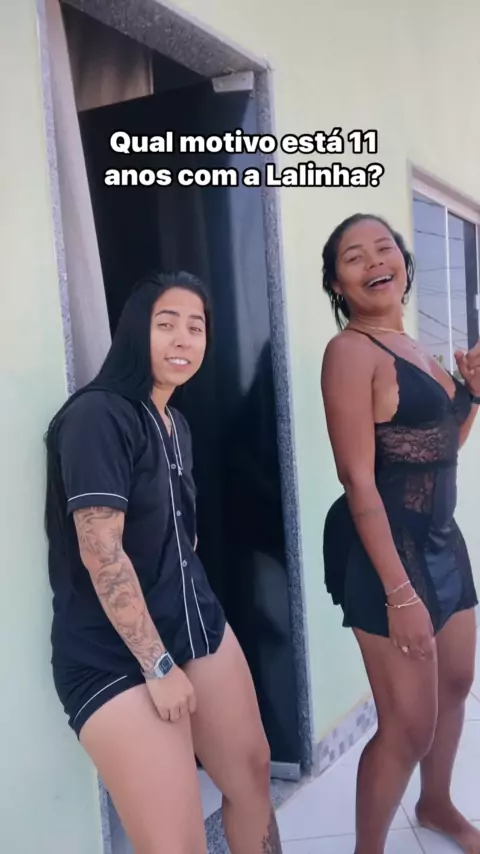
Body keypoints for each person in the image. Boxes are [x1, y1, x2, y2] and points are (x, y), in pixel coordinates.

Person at [44, 271, 282, 854]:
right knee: (176, 843)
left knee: (252, 775)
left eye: (196, 328)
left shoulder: (176, 424)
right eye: (166, 323)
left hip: (192, 619)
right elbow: (102, 553)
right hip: (111, 653)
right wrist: (157, 665)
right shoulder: (99, 415)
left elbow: (181, 539)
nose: (183, 339)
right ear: (135, 331)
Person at [320, 214, 480, 854]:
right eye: (354, 257)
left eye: (384, 248)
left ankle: (436, 804)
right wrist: (399, 593)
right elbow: (357, 479)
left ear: (405, 265)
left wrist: (472, 396)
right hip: (385, 549)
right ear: (337, 285)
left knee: (456, 683)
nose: (374, 262)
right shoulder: (350, 352)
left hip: (442, 537)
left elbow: (440, 449)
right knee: (407, 726)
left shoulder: (414, 347)